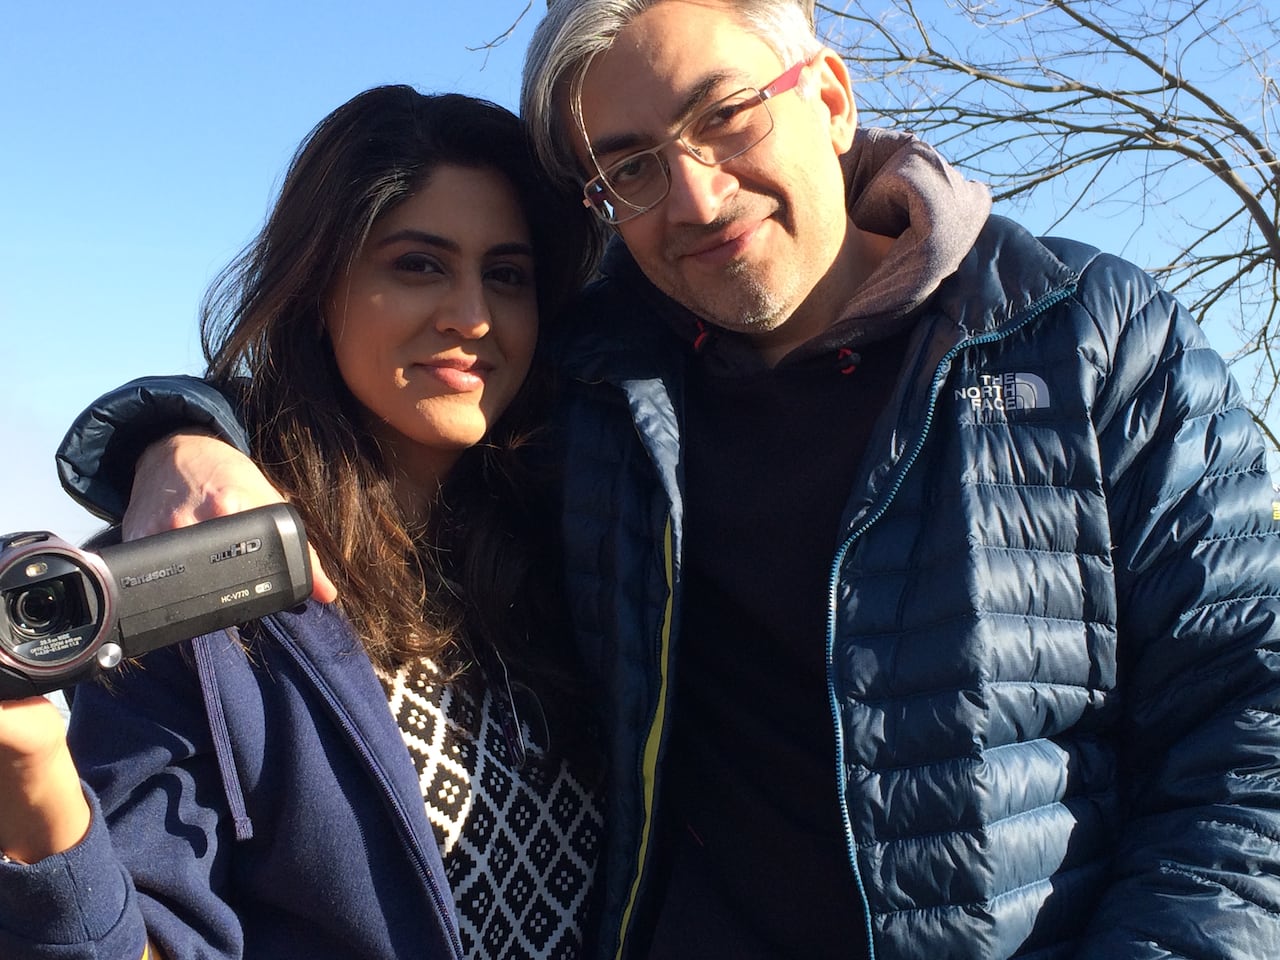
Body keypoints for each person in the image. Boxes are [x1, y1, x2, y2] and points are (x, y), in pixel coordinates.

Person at [44, 1, 1280, 957]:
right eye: (629, 163)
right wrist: (177, 435)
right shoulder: (603, 378)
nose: (693, 195)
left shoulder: (1084, 339)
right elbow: (367, 392)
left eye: (726, 115)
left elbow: (1250, 727)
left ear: (831, 97)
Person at [0, 84, 604, 960]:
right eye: (418, 264)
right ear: (321, 286)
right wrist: (34, 790)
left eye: (505, 276)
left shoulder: (583, 535)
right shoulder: (200, 580)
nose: (471, 317)